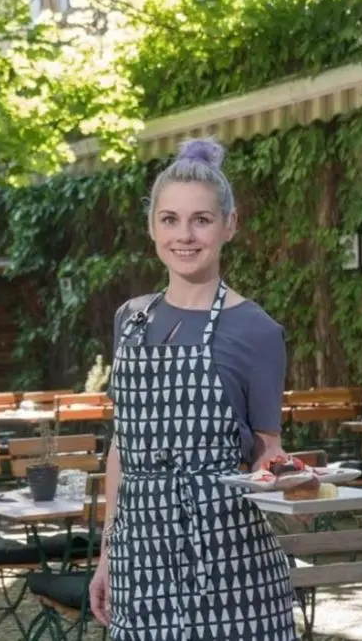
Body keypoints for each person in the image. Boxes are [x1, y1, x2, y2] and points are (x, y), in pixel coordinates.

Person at [87, 137, 298, 640]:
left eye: (201, 220)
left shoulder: (256, 330)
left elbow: (267, 448)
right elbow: (123, 448)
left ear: (230, 224)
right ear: (152, 227)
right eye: (170, 219)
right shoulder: (130, 319)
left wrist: (291, 482)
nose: (185, 235)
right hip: (140, 560)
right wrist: (107, 554)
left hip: (230, 567)